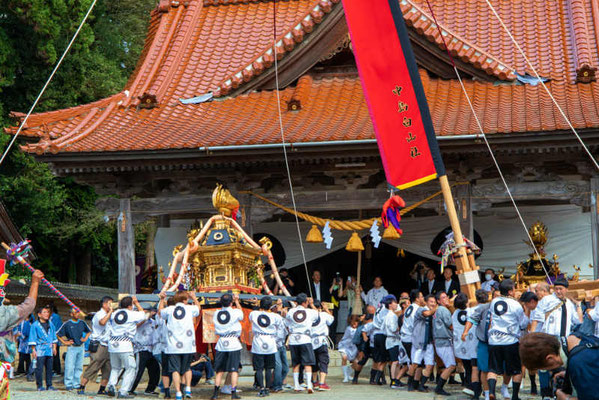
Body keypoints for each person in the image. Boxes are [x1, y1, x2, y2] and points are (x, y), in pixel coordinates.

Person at [532, 277, 582, 398]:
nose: (558, 291)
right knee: (544, 365)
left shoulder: (569, 304)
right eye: (556, 289)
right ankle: (545, 392)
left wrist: (578, 305)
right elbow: (537, 318)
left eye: (561, 289)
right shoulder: (547, 300)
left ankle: (561, 390)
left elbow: (577, 320)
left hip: (563, 339)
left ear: (566, 289)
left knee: (563, 365)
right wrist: (533, 336)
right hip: (548, 337)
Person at [486, 279, 530, 400]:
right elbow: (522, 324)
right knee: (516, 370)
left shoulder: (494, 302)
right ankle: (515, 396)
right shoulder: (515, 305)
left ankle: (492, 392)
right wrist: (527, 311)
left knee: (493, 369)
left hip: (494, 339)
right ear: (510, 291)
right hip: (510, 340)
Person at [159, 290, 201, 400]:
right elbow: (198, 309)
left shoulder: (169, 310)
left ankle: (178, 392)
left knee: (175, 370)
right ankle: (187, 388)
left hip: (173, 346)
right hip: (188, 345)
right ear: (184, 300)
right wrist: (194, 297)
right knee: (187, 368)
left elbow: (160, 313)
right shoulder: (189, 308)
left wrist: (162, 299)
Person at [106, 296, 147, 399]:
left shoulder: (114, 313)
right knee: (131, 367)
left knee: (115, 367)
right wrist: (137, 303)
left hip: (113, 343)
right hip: (125, 343)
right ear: (130, 306)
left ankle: (111, 384)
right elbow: (143, 315)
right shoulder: (132, 314)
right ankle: (123, 391)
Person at [78, 295, 113, 395]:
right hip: (99, 344)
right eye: (110, 303)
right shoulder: (99, 314)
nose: (112, 306)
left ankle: (102, 389)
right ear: (104, 304)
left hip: (108, 344)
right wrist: (110, 312)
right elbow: (102, 322)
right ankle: (82, 386)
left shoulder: (110, 314)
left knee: (108, 367)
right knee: (94, 365)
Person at [211, 293, 243, 400]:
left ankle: (215, 393)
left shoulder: (216, 313)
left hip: (221, 342)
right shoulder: (235, 312)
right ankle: (233, 393)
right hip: (233, 341)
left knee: (219, 370)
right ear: (231, 302)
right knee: (234, 370)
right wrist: (237, 301)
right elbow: (241, 315)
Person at [285, 293, 318, 393]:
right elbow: (317, 315)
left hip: (294, 338)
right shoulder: (310, 312)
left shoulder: (291, 311)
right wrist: (312, 304)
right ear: (305, 302)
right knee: (308, 363)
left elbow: (287, 324)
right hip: (305, 338)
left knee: (296, 363)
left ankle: (296, 385)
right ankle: (309, 385)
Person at [462, 289, 491, 400]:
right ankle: (486, 391)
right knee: (486, 369)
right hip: (485, 341)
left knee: (475, 368)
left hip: (472, 341)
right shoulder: (490, 308)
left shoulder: (470, 310)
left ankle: (475, 394)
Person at [249, 296, 280, 397]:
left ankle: (261, 387)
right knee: (268, 368)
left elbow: (252, 316)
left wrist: (256, 305)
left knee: (259, 368)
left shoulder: (254, 313)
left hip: (258, 340)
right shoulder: (275, 316)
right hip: (270, 340)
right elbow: (280, 324)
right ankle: (267, 388)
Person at [56, 308, 91, 390]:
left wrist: (85, 338)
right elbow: (58, 334)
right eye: (75, 313)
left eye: (78, 313)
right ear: (71, 314)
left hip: (81, 347)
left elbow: (89, 331)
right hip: (72, 347)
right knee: (70, 366)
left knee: (79, 366)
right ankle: (68, 383)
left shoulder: (82, 323)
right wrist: (64, 342)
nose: (77, 314)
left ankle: (76, 383)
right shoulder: (67, 324)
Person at [452, 293, 478, 397]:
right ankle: (470, 386)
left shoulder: (454, 314)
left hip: (460, 344)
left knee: (467, 367)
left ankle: (467, 384)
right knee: (473, 368)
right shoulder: (472, 312)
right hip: (470, 343)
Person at [130, 308, 160, 396]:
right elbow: (136, 326)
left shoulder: (152, 321)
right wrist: (146, 316)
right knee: (138, 370)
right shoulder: (138, 320)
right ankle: (130, 389)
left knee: (155, 369)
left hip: (151, 349)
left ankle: (150, 389)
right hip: (140, 349)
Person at [29, 305, 57, 391]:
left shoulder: (51, 324)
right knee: (39, 368)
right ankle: (39, 385)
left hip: (49, 349)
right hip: (40, 349)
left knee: (49, 368)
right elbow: (32, 338)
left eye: (47, 312)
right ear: (39, 314)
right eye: (44, 312)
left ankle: (49, 385)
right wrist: (33, 350)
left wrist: (54, 347)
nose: (47, 314)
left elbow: (54, 336)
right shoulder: (35, 325)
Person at [432, 291, 456, 395]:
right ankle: (439, 387)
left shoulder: (437, 310)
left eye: (446, 297)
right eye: (443, 298)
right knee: (450, 365)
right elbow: (450, 325)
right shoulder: (443, 310)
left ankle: (439, 386)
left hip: (439, 341)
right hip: (443, 341)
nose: (446, 299)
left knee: (450, 365)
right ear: (438, 301)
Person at [383, 295, 408, 389]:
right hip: (392, 339)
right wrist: (400, 327)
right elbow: (393, 328)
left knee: (397, 361)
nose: (396, 304)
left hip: (391, 339)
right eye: (394, 302)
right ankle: (393, 380)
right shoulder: (392, 316)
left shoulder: (388, 315)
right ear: (390, 304)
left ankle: (396, 380)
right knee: (395, 361)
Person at [310, 300, 334, 391]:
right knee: (323, 361)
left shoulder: (308, 316)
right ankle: (322, 383)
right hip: (321, 340)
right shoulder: (323, 315)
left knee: (314, 361)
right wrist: (326, 309)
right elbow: (331, 319)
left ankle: (315, 381)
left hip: (311, 340)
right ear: (319, 307)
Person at [401, 290, 422, 391]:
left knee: (416, 361)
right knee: (415, 362)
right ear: (417, 299)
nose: (423, 299)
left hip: (405, 336)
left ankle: (415, 383)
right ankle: (411, 383)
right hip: (411, 338)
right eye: (421, 297)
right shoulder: (417, 309)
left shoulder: (409, 307)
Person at [271, 299, 289, 393]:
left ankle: (276, 383)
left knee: (285, 367)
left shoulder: (285, 319)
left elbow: (288, 329)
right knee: (278, 366)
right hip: (274, 344)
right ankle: (277, 386)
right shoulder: (273, 316)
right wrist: (278, 310)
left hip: (281, 344)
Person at [338, 315, 359, 383]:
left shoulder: (360, 329)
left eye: (355, 322)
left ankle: (348, 373)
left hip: (354, 347)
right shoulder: (348, 329)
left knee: (355, 362)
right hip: (345, 345)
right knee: (344, 358)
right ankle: (345, 376)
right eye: (352, 322)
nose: (354, 324)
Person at [14, 314, 34, 381]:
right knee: (25, 356)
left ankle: (28, 370)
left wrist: (20, 335)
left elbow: (26, 333)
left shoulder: (28, 324)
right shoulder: (22, 322)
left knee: (24, 356)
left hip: (26, 342)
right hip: (22, 342)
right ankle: (27, 370)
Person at [49, 304, 62, 376]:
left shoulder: (55, 317)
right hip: (50, 338)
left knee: (55, 355)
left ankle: (57, 370)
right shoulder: (50, 317)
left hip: (55, 338)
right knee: (52, 355)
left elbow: (55, 327)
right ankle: (53, 369)